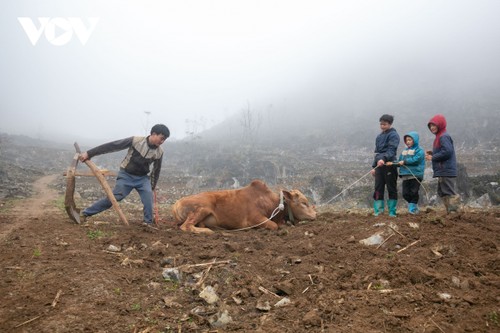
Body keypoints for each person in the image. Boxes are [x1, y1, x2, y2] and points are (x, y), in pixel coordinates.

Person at [79, 124, 170, 225]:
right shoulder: (136, 141)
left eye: (164, 140)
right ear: (153, 134)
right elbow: (113, 146)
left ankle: (148, 224)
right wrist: (89, 153)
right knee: (114, 198)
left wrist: (151, 187)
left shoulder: (159, 152)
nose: (162, 142)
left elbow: (156, 170)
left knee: (148, 199)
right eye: (161, 138)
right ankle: (85, 213)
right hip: (126, 175)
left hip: (143, 179)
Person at [425, 114, 460, 213]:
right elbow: (444, 151)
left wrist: (433, 157)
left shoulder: (443, 136)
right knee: (443, 191)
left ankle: (454, 212)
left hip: (446, 169)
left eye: (434, 125)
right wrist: (433, 153)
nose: (432, 128)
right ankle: (450, 211)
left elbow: (447, 152)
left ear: (440, 125)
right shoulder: (439, 136)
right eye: (430, 126)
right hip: (442, 169)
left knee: (448, 191)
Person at [370, 114, 400, 217]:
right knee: (378, 188)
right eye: (381, 124)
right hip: (379, 166)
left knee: (391, 187)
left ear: (390, 124)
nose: (382, 126)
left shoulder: (393, 135)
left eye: (385, 124)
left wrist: (384, 158)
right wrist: (374, 167)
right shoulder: (379, 137)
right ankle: (378, 211)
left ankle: (392, 211)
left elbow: (392, 150)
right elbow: (376, 153)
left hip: (389, 164)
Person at [397, 131, 425, 214]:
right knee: (405, 193)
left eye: (410, 140)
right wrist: (394, 163)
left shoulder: (419, 150)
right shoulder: (404, 151)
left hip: (415, 174)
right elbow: (400, 161)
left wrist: (405, 161)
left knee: (413, 192)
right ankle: (413, 206)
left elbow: (417, 159)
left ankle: (412, 209)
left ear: (414, 140)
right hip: (405, 175)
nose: (408, 142)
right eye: (406, 140)